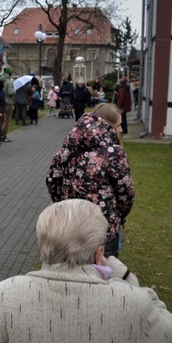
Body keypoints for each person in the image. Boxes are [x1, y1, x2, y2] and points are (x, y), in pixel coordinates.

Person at [0, 199, 172, 343]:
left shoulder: (5, 295)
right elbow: (166, 329)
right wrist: (120, 273)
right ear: (98, 251)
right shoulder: (130, 300)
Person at [46, 103, 135, 257]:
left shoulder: (67, 148)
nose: (121, 130)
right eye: (118, 125)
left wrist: (64, 203)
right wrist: (117, 215)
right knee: (101, 274)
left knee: (73, 273)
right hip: (101, 229)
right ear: (108, 126)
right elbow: (126, 192)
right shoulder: (113, 153)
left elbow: (52, 181)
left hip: (71, 225)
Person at [0, 67, 15, 143]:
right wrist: (14, 91)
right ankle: (3, 136)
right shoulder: (9, 82)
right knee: (6, 121)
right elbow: (10, 92)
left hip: (1, 102)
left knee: (1, 120)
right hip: (8, 102)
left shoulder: (0, 80)